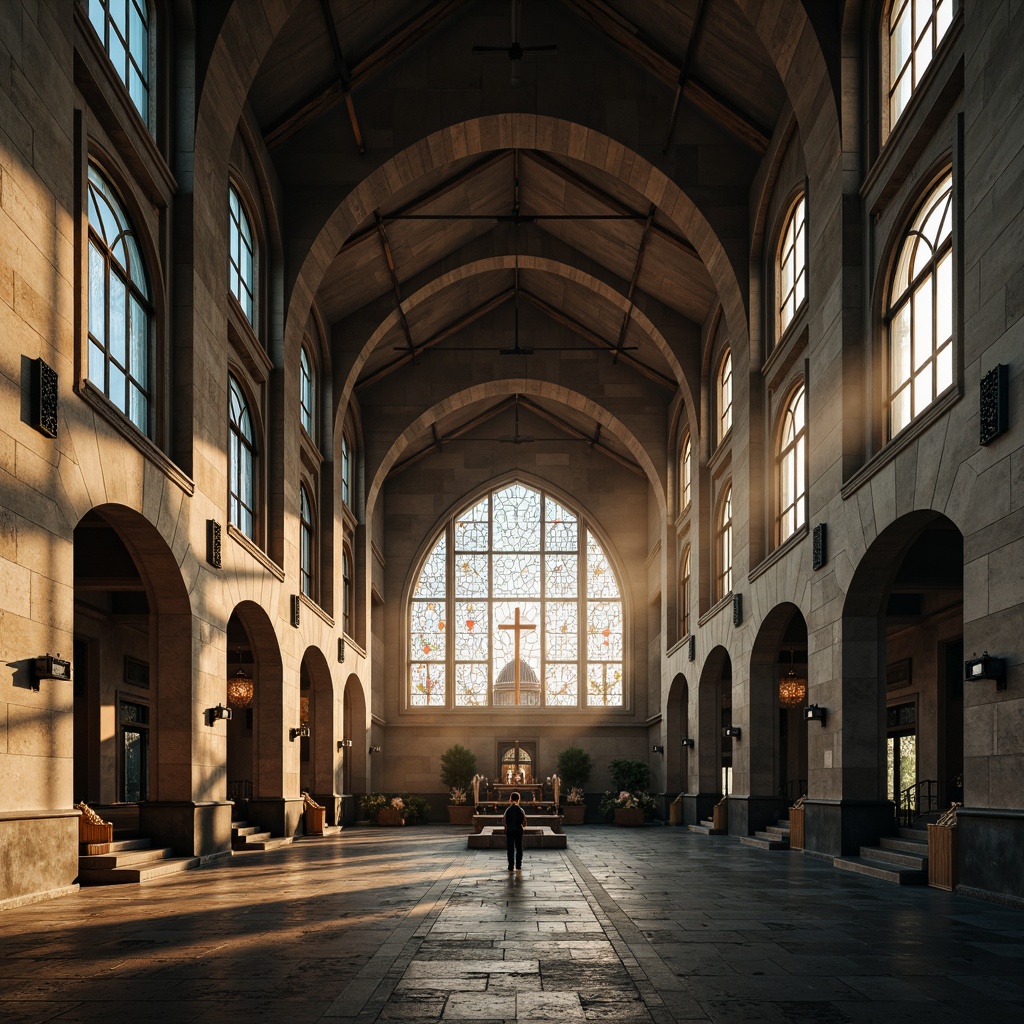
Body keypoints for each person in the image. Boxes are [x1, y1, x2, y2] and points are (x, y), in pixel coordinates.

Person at [503, 791, 527, 873]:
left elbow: (504, 821)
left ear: (510, 799)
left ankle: (510, 865)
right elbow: (524, 823)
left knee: (510, 848)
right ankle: (518, 865)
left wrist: (506, 828)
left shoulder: (507, 810)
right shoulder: (521, 810)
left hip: (510, 830)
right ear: (518, 799)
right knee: (519, 848)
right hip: (518, 830)